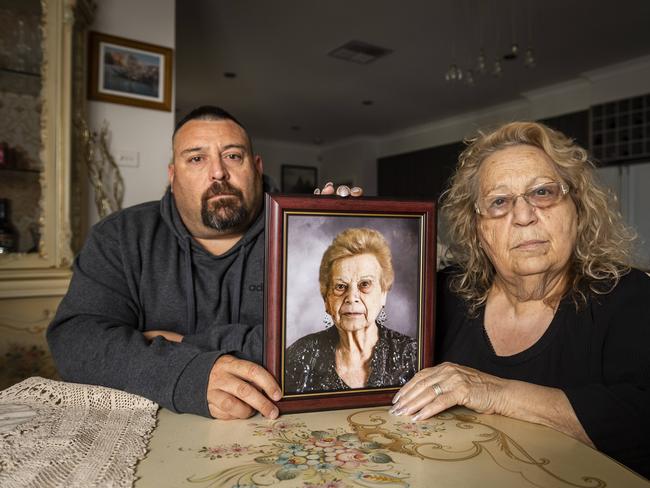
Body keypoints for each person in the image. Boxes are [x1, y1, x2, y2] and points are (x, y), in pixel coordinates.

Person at [47, 105, 360, 421]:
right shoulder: (120, 236)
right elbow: (75, 341)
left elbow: (338, 344)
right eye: (196, 158)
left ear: (256, 167)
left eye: (233, 156)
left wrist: (181, 344)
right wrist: (188, 375)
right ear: (173, 175)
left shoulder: (306, 231)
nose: (218, 172)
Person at [390, 121, 650, 477]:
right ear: (478, 228)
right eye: (499, 202)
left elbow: (640, 415)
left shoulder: (629, 296)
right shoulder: (440, 294)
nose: (524, 216)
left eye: (543, 192)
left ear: (578, 209)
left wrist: (495, 392)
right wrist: (339, 219)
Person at [285, 227, 417, 393]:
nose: (351, 297)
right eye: (340, 286)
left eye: (365, 284)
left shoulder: (412, 354)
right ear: (326, 300)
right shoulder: (298, 356)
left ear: (383, 294)